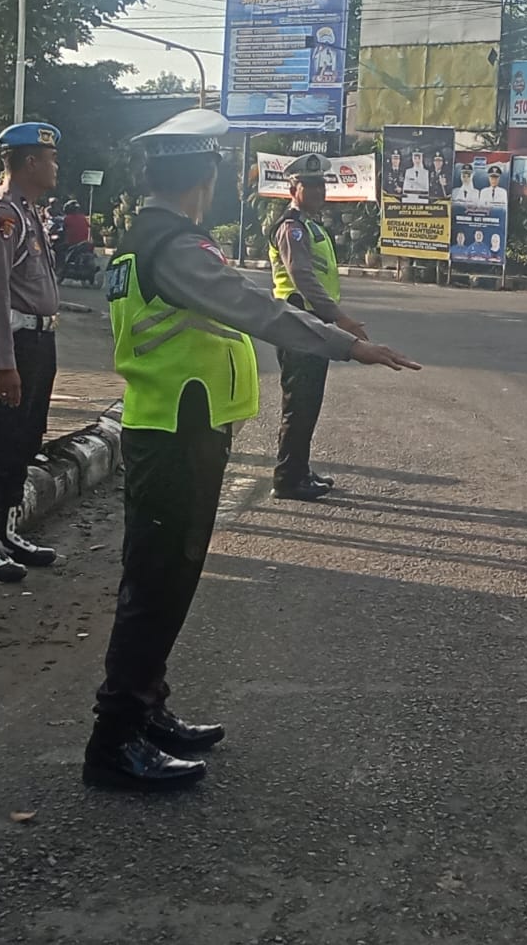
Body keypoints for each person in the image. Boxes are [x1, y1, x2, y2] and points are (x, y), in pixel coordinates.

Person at [89, 109, 420, 791]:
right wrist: (349, 343)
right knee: (154, 587)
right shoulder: (173, 244)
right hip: (176, 431)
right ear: (202, 178)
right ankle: (114, 739)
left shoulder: (142, 238)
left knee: (165, 580)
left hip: (177, 423)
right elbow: (257, 309)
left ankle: (147, 708)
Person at [0, 122, 64, 583]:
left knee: (23, 440)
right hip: (15, 343)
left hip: (40, 341)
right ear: (29, 163)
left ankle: (5, 530)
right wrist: (3, 363)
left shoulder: (29, 212)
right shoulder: (2, 215)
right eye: (50, 158)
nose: (56, 166)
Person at [268, 153, 369, 500]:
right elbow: (303, 277)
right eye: (309, 185)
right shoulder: (291, 228)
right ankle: (288, 478)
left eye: (321, 184)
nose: (317, 190)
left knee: (309, 403)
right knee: (300, 403)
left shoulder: (311, 226)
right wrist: (341, 318)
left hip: (312, 321)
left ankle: (298, 468)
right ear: (293, 188)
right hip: (298, 321)